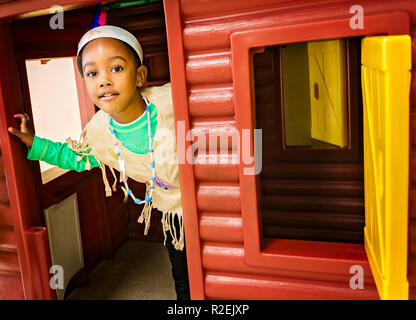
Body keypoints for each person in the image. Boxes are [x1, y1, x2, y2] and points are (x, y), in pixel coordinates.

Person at [8, 25, 190, 300]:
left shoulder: (171, 102)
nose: (104, 80)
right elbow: (78, 157)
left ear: (140, 76)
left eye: (116, 68)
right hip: (175, 214)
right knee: (184, 277)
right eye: (92, 73)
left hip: (211, 202)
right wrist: (35, 143)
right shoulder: (100, 131)